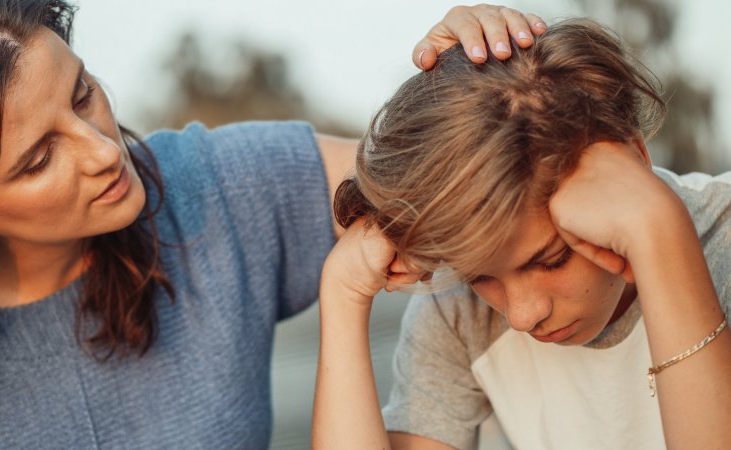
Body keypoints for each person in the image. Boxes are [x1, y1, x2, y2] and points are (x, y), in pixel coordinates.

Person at [0, 0, 548, 447]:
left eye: (83, 93)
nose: (103, 152)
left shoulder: (218, 186)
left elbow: (456, 174)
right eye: (40, 159)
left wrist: (476, 83)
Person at [313, 18, 731, 450]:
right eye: (480, 277)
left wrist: (659, 233)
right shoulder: (459, 314)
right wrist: (343, 293)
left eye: (550, 259)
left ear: (635, 161)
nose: (521, 315)